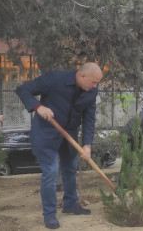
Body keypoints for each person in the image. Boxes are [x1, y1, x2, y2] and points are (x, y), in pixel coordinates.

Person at [15, 62, 103, 229]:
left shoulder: (91, 91)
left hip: (69, 133)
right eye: (93, 82)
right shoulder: (55, 78)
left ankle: (70, 203)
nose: (95, 86)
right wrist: (38, 107)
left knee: (70, 167)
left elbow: (89, 118)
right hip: (46, 132)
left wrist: (87, 145)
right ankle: (49, 215)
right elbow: (23, 89)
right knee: (51, 171)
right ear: (82, 75)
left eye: (97, 83)